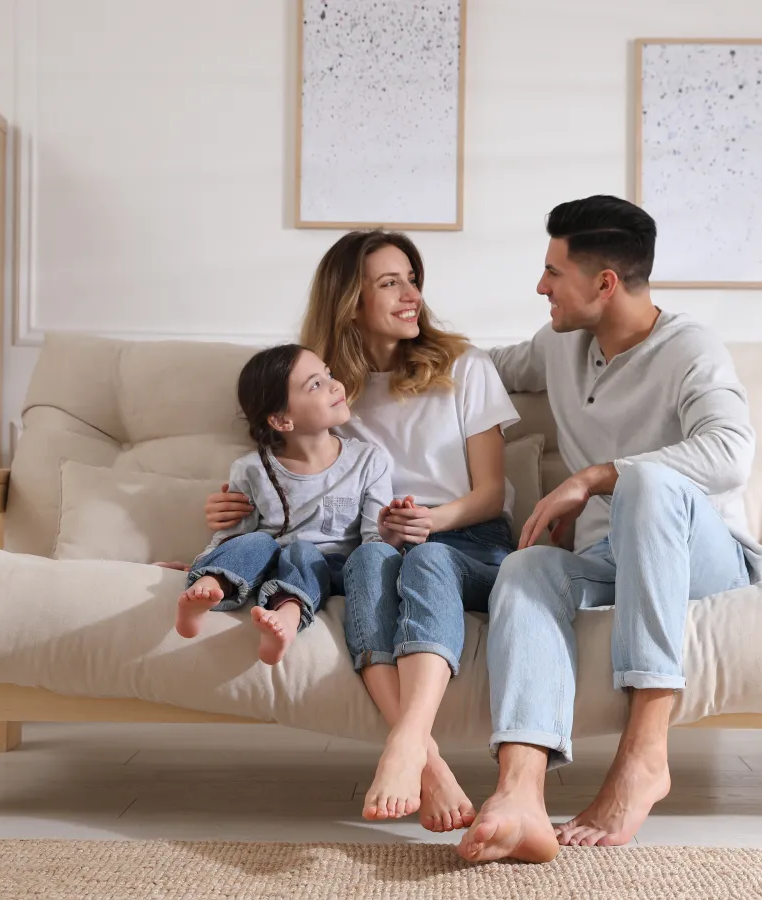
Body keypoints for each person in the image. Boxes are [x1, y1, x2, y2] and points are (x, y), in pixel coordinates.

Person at [457, 196, 762, 863]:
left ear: (604, 283)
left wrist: (599, 475)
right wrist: (377, 350)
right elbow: (476, 369)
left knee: (649, 483)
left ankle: (644, 753)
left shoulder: (691, 349)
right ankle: (520, 792)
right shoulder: (558, 346)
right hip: (610, 559)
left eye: (553, 272)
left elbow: (729, 451)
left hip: (706, 561)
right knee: (526, 567)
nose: (540, 287)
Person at [204, 230, 519, 833]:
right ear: (351, 300)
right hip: (376, 544)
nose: (412, 296)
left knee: (423, 561)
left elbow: (491, 493)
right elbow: (284, 471)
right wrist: (231, 511)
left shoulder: (466, 368)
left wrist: (432, 521)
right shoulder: (326, 391)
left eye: (413, 279)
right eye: (390, 282)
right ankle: (430, 766)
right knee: (370, 563)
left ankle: (406, 746)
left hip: (468, 539)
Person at [172, 344, 392, 668]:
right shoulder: (251, 470)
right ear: (281, 419)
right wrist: (202, 562)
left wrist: (396, 538)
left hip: (334, 568)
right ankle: (206, 589)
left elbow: (375, 540)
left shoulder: (369, 461)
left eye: (329, 375)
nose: (335, 385)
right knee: (258, 541)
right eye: (315, 384)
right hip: (271, 563)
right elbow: (233, 535)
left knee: (302, 552)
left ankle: (287, 620)